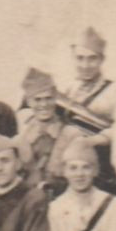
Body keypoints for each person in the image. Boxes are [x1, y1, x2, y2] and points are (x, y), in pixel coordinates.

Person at [18, 67, 75, 195]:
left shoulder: (70, 134)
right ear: (28, 101)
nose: (43, 105)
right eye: (37, 99)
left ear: (55, 97)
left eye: (48, 98)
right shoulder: (23, 137)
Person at [64, 27, 116, 148]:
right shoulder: (69, 88)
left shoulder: (115, 91)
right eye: (80, 58)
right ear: (73, 58)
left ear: (102, 59)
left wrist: (95, 140)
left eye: (92, 58)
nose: (85, 65)